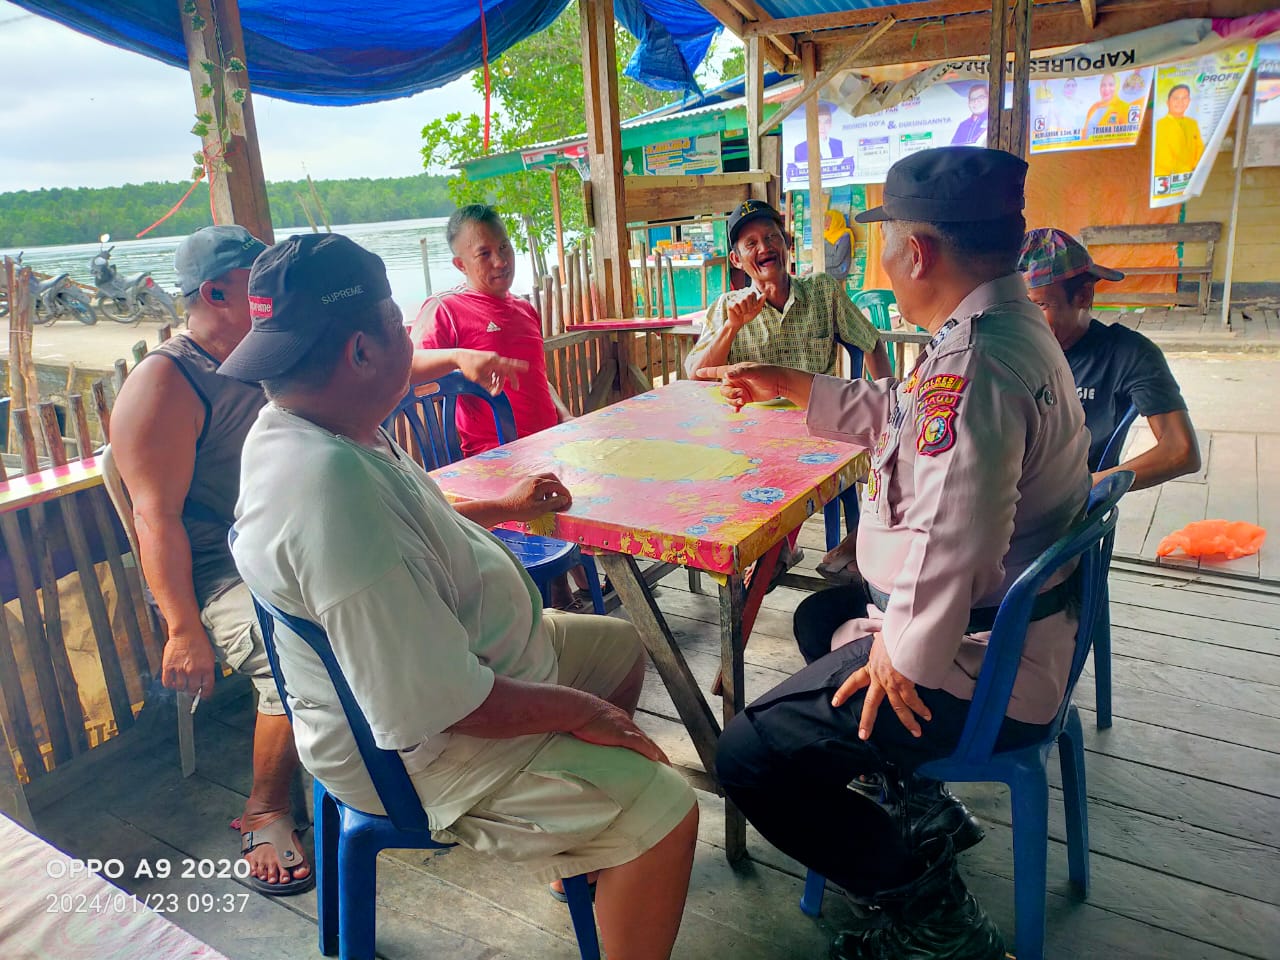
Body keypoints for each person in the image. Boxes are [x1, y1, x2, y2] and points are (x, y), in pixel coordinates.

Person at [225, 233, 698, 960]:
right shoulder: (327, 491)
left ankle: (582, 849)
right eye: (396, 322)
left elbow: (414, 525)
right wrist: (586, 713)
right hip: (428, 751)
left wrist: (501, 504)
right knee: (665, 808)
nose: (408, 335)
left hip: (460, 666)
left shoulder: (317, 427)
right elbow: (436, 706)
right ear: (360, 352)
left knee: (616, 644)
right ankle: (615, 833)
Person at [700, 147, 1091, 960]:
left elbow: (958, 538)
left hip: (986, 665)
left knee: (747, 757)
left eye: (887, 238)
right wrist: (798, 385)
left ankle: (931, 913)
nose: (881, 256)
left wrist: (901, 656)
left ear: (918, 252)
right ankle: (921, 800)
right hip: (1017, 631)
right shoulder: (1000, 330)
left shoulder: (977, 364)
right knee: (822, 613)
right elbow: (902, 414)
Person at [109, 226, 539, 895]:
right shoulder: (166, 382)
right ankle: (267, 809)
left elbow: (375, 359)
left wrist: (455, 356)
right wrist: (181, 626)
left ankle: (445, 736)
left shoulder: (290, 352)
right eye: (259, 275)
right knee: (298, 658)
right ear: (219, 291)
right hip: (226, 577)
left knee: (410, 608)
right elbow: (152, 517)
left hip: (313, 542)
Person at [1020, 227, 1201, 488]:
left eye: (1040, 306)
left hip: (1068, 515)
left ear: (1083, 296)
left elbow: (1180, 451)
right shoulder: (1012, 349)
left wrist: (1085, 489)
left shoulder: (1128, 355)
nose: (1026, 322)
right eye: (1017, 307)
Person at [411, 204, 570, 457]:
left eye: (504, 247)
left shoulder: (525, 308)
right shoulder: (446, 309)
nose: (501, 261)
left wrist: (564, 415)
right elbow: (403, 367)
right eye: (484, 254)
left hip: (550, 446)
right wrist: (458, 357)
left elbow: (537, 377)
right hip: (493, 458)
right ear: (460, 265)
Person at [685, 199, 890, 380]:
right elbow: (697, 375)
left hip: (817, 414)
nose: (764, 248)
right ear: (736, 260)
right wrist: (731, 327)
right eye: (751, 243)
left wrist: (888, 405)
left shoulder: (823, 291)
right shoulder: (727, 307)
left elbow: (870, 341)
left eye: (771, 237)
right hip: (754, 417)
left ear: (787, 242)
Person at [1153, 84, 1205, 178]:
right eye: (1176, 98)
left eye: (1184, 98)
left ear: (1189, 101)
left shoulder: (1192, 123)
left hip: (1191, 175)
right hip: (1168, 178)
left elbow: (1199, 147)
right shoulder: (1159, 125)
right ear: (1168, 102)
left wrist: (1194, 167)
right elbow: (1161, 158)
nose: (1180, 102)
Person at [1082, 73, 1128, 139]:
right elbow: (1084, 134)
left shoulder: (1124, 107)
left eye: (1111, 85)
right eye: (1103, 85)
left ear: (1117, 86)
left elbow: (1128, 138)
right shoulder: (1093, 107)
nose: (1106, 89)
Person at [824, 209, 855, 281]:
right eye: (825, 219)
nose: (825, 222)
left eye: (828, 220)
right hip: (826, 267)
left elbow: (837, 260)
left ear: (836, 221)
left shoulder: (845, 236)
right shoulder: (826, 235)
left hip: (840, 269)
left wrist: (819, 264)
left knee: (815, 275)